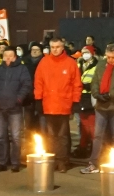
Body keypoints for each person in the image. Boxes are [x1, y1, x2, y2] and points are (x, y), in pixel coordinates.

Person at [79, 43, 114, 174]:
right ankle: (94, 163)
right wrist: (97, 94)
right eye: (108, 57)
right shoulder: (101, 65)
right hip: (101, 106)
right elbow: (95, 82)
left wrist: (110, 94)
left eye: (112, 57)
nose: (110, 60)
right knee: (98, 135)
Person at [34, 37, 82, 169]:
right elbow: (38, 83)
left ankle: (62, 161)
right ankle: (52, 160)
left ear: (62, 47)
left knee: (62, 135)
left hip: (64, 105)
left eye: (57, 47)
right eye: (53, 47)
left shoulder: (70, 63)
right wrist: (38, 99)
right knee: (50, 135)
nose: (55, 50)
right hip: (48, 104)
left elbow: (76, 84)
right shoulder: (44, 62)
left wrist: (75, 101)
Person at [0, 45, 33, 172]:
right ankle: (2, 162)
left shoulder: (22, 69)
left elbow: (26, 85)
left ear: (15, 57)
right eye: (5, 56)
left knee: (15, 137)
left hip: (15, 108)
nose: (7, 58)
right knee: (1, 136)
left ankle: (15, 162)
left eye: (10, 56)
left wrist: (19, 99)